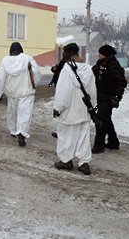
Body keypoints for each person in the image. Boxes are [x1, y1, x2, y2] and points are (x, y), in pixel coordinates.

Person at [52, 43, 96, 175]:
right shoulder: (88, 68)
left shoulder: (67, 69)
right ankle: (84, 163)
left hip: (69, 110)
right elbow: (93, 90)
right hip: (84, 109)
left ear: (68, 53)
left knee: (67, 136)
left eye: (64, 53)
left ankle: (66, 161)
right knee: (83, 137)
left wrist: (58, 107)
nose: (63, 55)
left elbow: (63, 92)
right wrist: (91, 106)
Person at [0, 42, 42, 147]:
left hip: (12, 92)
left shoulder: (5, 61)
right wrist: (34, 84)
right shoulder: (28, 58)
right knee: (24, 113)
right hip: (26, 91)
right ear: (21, 50)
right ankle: (21, 133)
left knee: (12, 112)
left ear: (10, 51)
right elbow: (36, 73)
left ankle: (13, 130)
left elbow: (1, 78)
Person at [91, 45, 127, 153]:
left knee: (100, 121)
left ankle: (99, 146)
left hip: (108, 98)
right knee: (106, 120)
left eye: (100, 53)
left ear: (105, 54)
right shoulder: (103, 63)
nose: (98, 55)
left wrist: (116, 97)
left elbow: (121, 82)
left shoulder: (112, 65)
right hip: (102, 97)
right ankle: (113, 142)